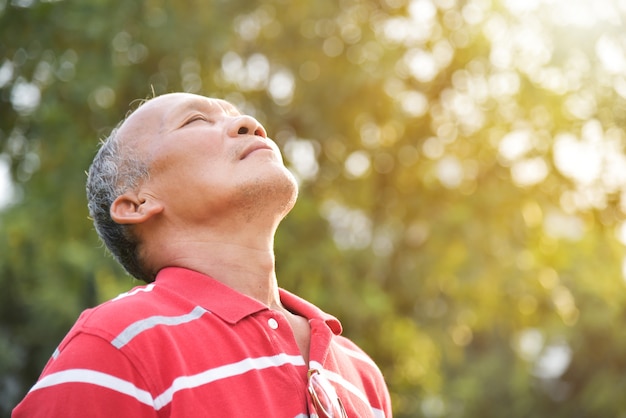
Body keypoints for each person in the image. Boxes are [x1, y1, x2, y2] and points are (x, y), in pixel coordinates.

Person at [12, 92, 392, 417]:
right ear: (136, 203)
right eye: (195, 120)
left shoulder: (362, 373)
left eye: (236, 112)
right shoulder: (116, 345)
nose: (249, 123)